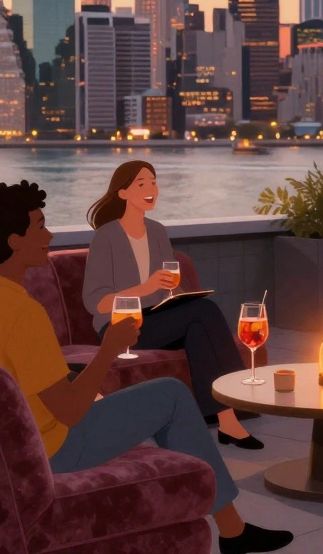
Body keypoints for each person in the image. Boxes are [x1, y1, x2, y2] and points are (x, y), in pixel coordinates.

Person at [0, 181, 293, 554]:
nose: (50, 234)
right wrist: (108, 349)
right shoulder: (23, 312)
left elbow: (25, 379)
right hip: (50, 450)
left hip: (8, 441)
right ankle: (233, 531)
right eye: (40, 226)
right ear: (14, 240)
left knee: (95, 385)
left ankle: (227, 521)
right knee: (171, 395)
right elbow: (71, 412)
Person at [83, 161, 262, 449]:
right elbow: (96, 302)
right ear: (123, 193)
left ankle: (227, 420)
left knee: (198, 327)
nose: (151, 189)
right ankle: (237, 400)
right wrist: (147, 287)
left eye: (153, 182)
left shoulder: (157, 231)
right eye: (142, 184)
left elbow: (166, 287)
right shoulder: (107, 237)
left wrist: (176, 295)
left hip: (157, 318)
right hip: (120, 326)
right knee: (205, 312)